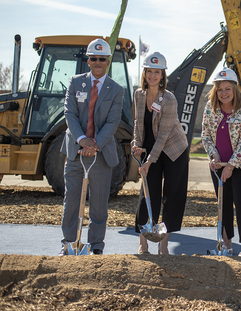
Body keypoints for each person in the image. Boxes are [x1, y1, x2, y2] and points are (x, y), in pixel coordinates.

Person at [59, 38, 125, 255]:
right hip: (75, 152)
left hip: (101, 154)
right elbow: (69, 113)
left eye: (102, 59)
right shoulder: (75, 82)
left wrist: (95, 144)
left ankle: (96, 247)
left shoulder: (116, 90)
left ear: (108, 61)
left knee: (98, 205)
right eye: (93, 58)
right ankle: (68, 244)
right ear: (88, 61)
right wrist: (81, 140)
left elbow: (113, 122)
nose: (97, 62)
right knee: (71, 202)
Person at [131, 52, 189, 255]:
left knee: (172, 196)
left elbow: (163, 135)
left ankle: (163, 243)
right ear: (144, 73)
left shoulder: (169, 99)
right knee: (148, 193)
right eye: (149, 71)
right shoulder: (138, 94)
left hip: (173, 150)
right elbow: (139, 123)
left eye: (157, 72)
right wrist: (136, 146)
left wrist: (149, 161)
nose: (153, 76)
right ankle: (143, 243)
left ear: (163, 75)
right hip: (150, 147)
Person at [201, 67, 241, 257]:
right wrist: (213, 156)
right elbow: (205, 134)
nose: (223, 93)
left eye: (227, 89)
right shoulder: (210, 108)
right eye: (219, 89)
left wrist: (231, 166)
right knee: (222, 205)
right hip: (218, 165)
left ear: (235, 89)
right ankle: (226, 246)